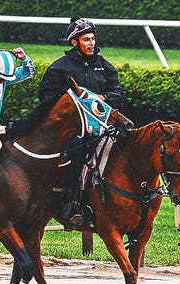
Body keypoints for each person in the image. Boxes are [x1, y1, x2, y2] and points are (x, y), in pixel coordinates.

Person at [37, 17, 129, 229]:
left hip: (104, 127)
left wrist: (101, 99)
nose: (91, 43)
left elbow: (118, 93)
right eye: (86, 39)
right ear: (74, 42)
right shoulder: (59, 68)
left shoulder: (104, 66)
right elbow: (47, 98)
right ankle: (72, 209)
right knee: (75, 159)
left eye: (93, 39)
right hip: (73, 132)